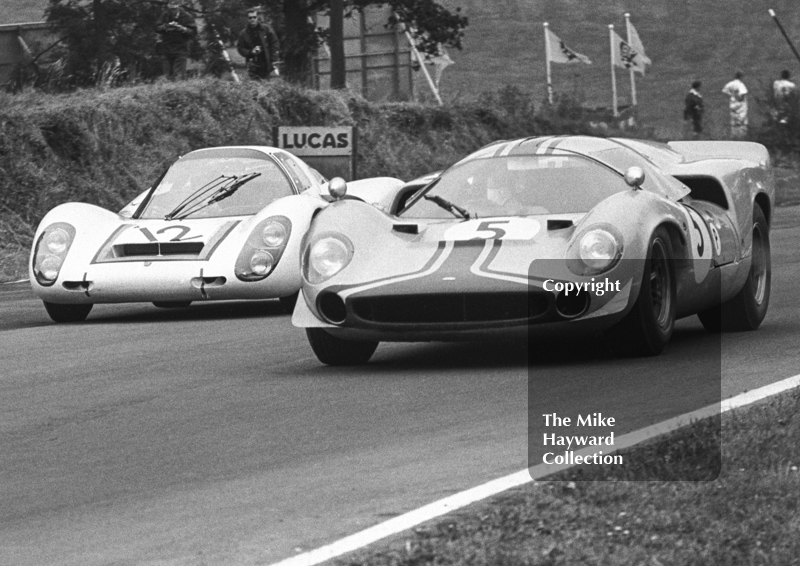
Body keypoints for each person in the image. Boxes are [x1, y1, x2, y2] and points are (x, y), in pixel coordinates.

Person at [155, 0, 197, 80]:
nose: (173, 8)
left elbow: (193, 32)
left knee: (178, 76)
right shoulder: (165, 15)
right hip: (166, 49)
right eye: (171, 4)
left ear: (179, 5)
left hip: (181, 50)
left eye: (175, 5)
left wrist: (182, 29)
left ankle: (178, 91)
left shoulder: (187, 16)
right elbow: (157, 28)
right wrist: (167, 26)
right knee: (166, 77)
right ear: (168, 5)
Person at [236, 10, 281, 81]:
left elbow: (274, 42)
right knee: (255, 86)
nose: (252, 19)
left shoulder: (266, 29)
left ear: (257, 18)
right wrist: (251, 52)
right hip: (252, 64)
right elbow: (240, 48)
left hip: (267, 62)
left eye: (254, 17)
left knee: (269, 85)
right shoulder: (243, 33)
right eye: (250, 18)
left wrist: (274, 58)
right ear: (247, 19)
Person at [721, 71, 749, 139]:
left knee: (733, 125)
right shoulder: (741, 85)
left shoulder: (730, 84)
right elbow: (742, 95)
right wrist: (738, 98)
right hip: (741, 107)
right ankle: (742, 139)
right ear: (741, 77)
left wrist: (731, 96)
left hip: (733, 106)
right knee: (742, 124)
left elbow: (724, 91)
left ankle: (734, 138)